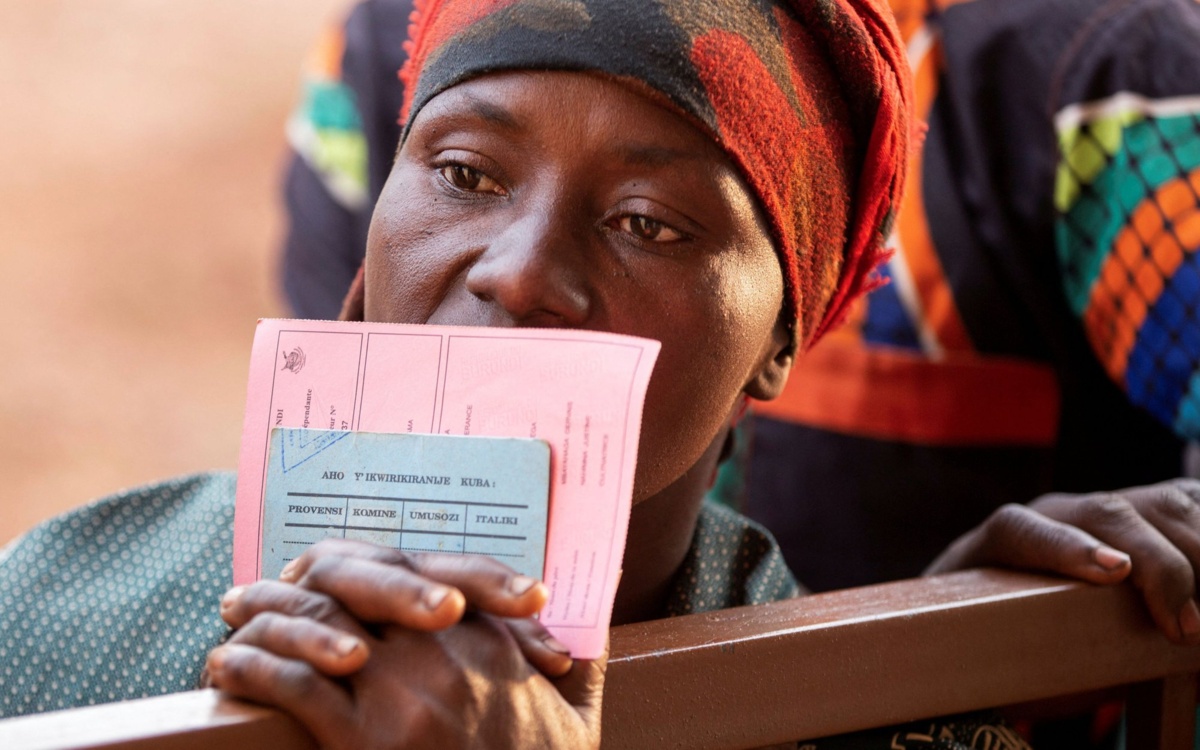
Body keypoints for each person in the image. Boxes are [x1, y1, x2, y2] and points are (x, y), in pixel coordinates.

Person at [0, 1, 1196, 748]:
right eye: (464, 175)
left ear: (785, 338)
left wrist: (948, 647)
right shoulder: (46, 616)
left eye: (651, 222)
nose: (519, 275)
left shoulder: (894, 722)